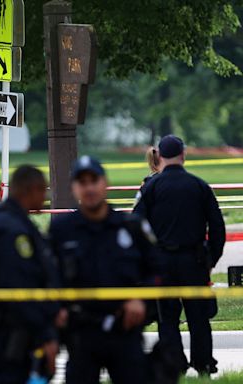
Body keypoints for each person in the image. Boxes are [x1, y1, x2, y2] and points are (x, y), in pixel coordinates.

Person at [49, 155, 162, 384]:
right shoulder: (61, 231)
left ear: (105, 184)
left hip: (124, 332)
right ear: (74, 188)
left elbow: (158, 270)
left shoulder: (131, 227)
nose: (89, 188)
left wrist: (141, 299)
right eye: (82, 182)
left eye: (94, 180)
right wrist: (56, 311)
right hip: (81, 333)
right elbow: (47, 277)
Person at [134, 135, 226, 376]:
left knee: (167, 319)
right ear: (183, 155)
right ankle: (204, 364)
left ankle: (174, 366)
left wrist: (148, 257)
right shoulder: (199, 186)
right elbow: (217, 227)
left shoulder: (151, 188)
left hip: (162, 263)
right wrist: (210, 259)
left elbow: (136, 223)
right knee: (198, 318)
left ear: (160, 157)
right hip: (194, 261)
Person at [0, 165, 61, 384]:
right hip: (7, 339)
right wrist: (46, 335)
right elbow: (21, 287)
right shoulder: (12, 230)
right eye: (43, 190)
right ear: (29, 189)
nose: (45, 196)